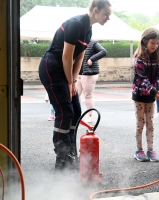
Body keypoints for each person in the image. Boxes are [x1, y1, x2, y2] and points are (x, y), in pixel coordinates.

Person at [38, 0, 112, 170]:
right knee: (65, 111)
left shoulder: (88, 29)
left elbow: (79, 58)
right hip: (51, 66)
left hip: (63, 68)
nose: (108, 18)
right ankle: (61, 158)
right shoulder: (76, 24)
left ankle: (70, 151)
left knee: (76, 111)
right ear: (95, 10)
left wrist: (74, 80)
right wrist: (70, 82)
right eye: (106, 14)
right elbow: (66, 56)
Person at [132, 27, 159, 162]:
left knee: (150, 122)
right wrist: (154, 91)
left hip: (151, 95)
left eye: (157, 43)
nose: (155, 46)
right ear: (144, 41)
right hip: (139, 95)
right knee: (140, 123)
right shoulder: (139, 59)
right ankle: (139, 150)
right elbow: (142, 79)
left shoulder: (157, 58)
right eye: (153, 43)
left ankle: (150, 150)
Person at [76, 40, 107, 123]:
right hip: (77, 72)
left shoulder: (92, 42)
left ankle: (89, 115)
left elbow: (103, 51)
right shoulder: (76, 41)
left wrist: (92, 59)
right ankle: (77, 115)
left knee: (88, 95)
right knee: (76, 95)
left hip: (89, 72)